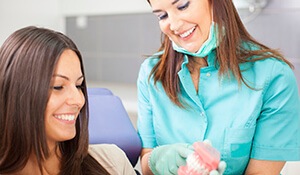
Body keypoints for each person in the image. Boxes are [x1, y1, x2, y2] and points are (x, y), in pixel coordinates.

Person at [137, 0, 300, 174]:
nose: (174, 25)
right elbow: (147, 166)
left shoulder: (274, 75)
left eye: (183, 6)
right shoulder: (151, 74)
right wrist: (158, 160)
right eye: (162, 16)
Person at [0, 26, 136, 175]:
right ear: (17, 93)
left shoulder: (112, 162)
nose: (79, 100)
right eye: (58, 86)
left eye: (78, 85)